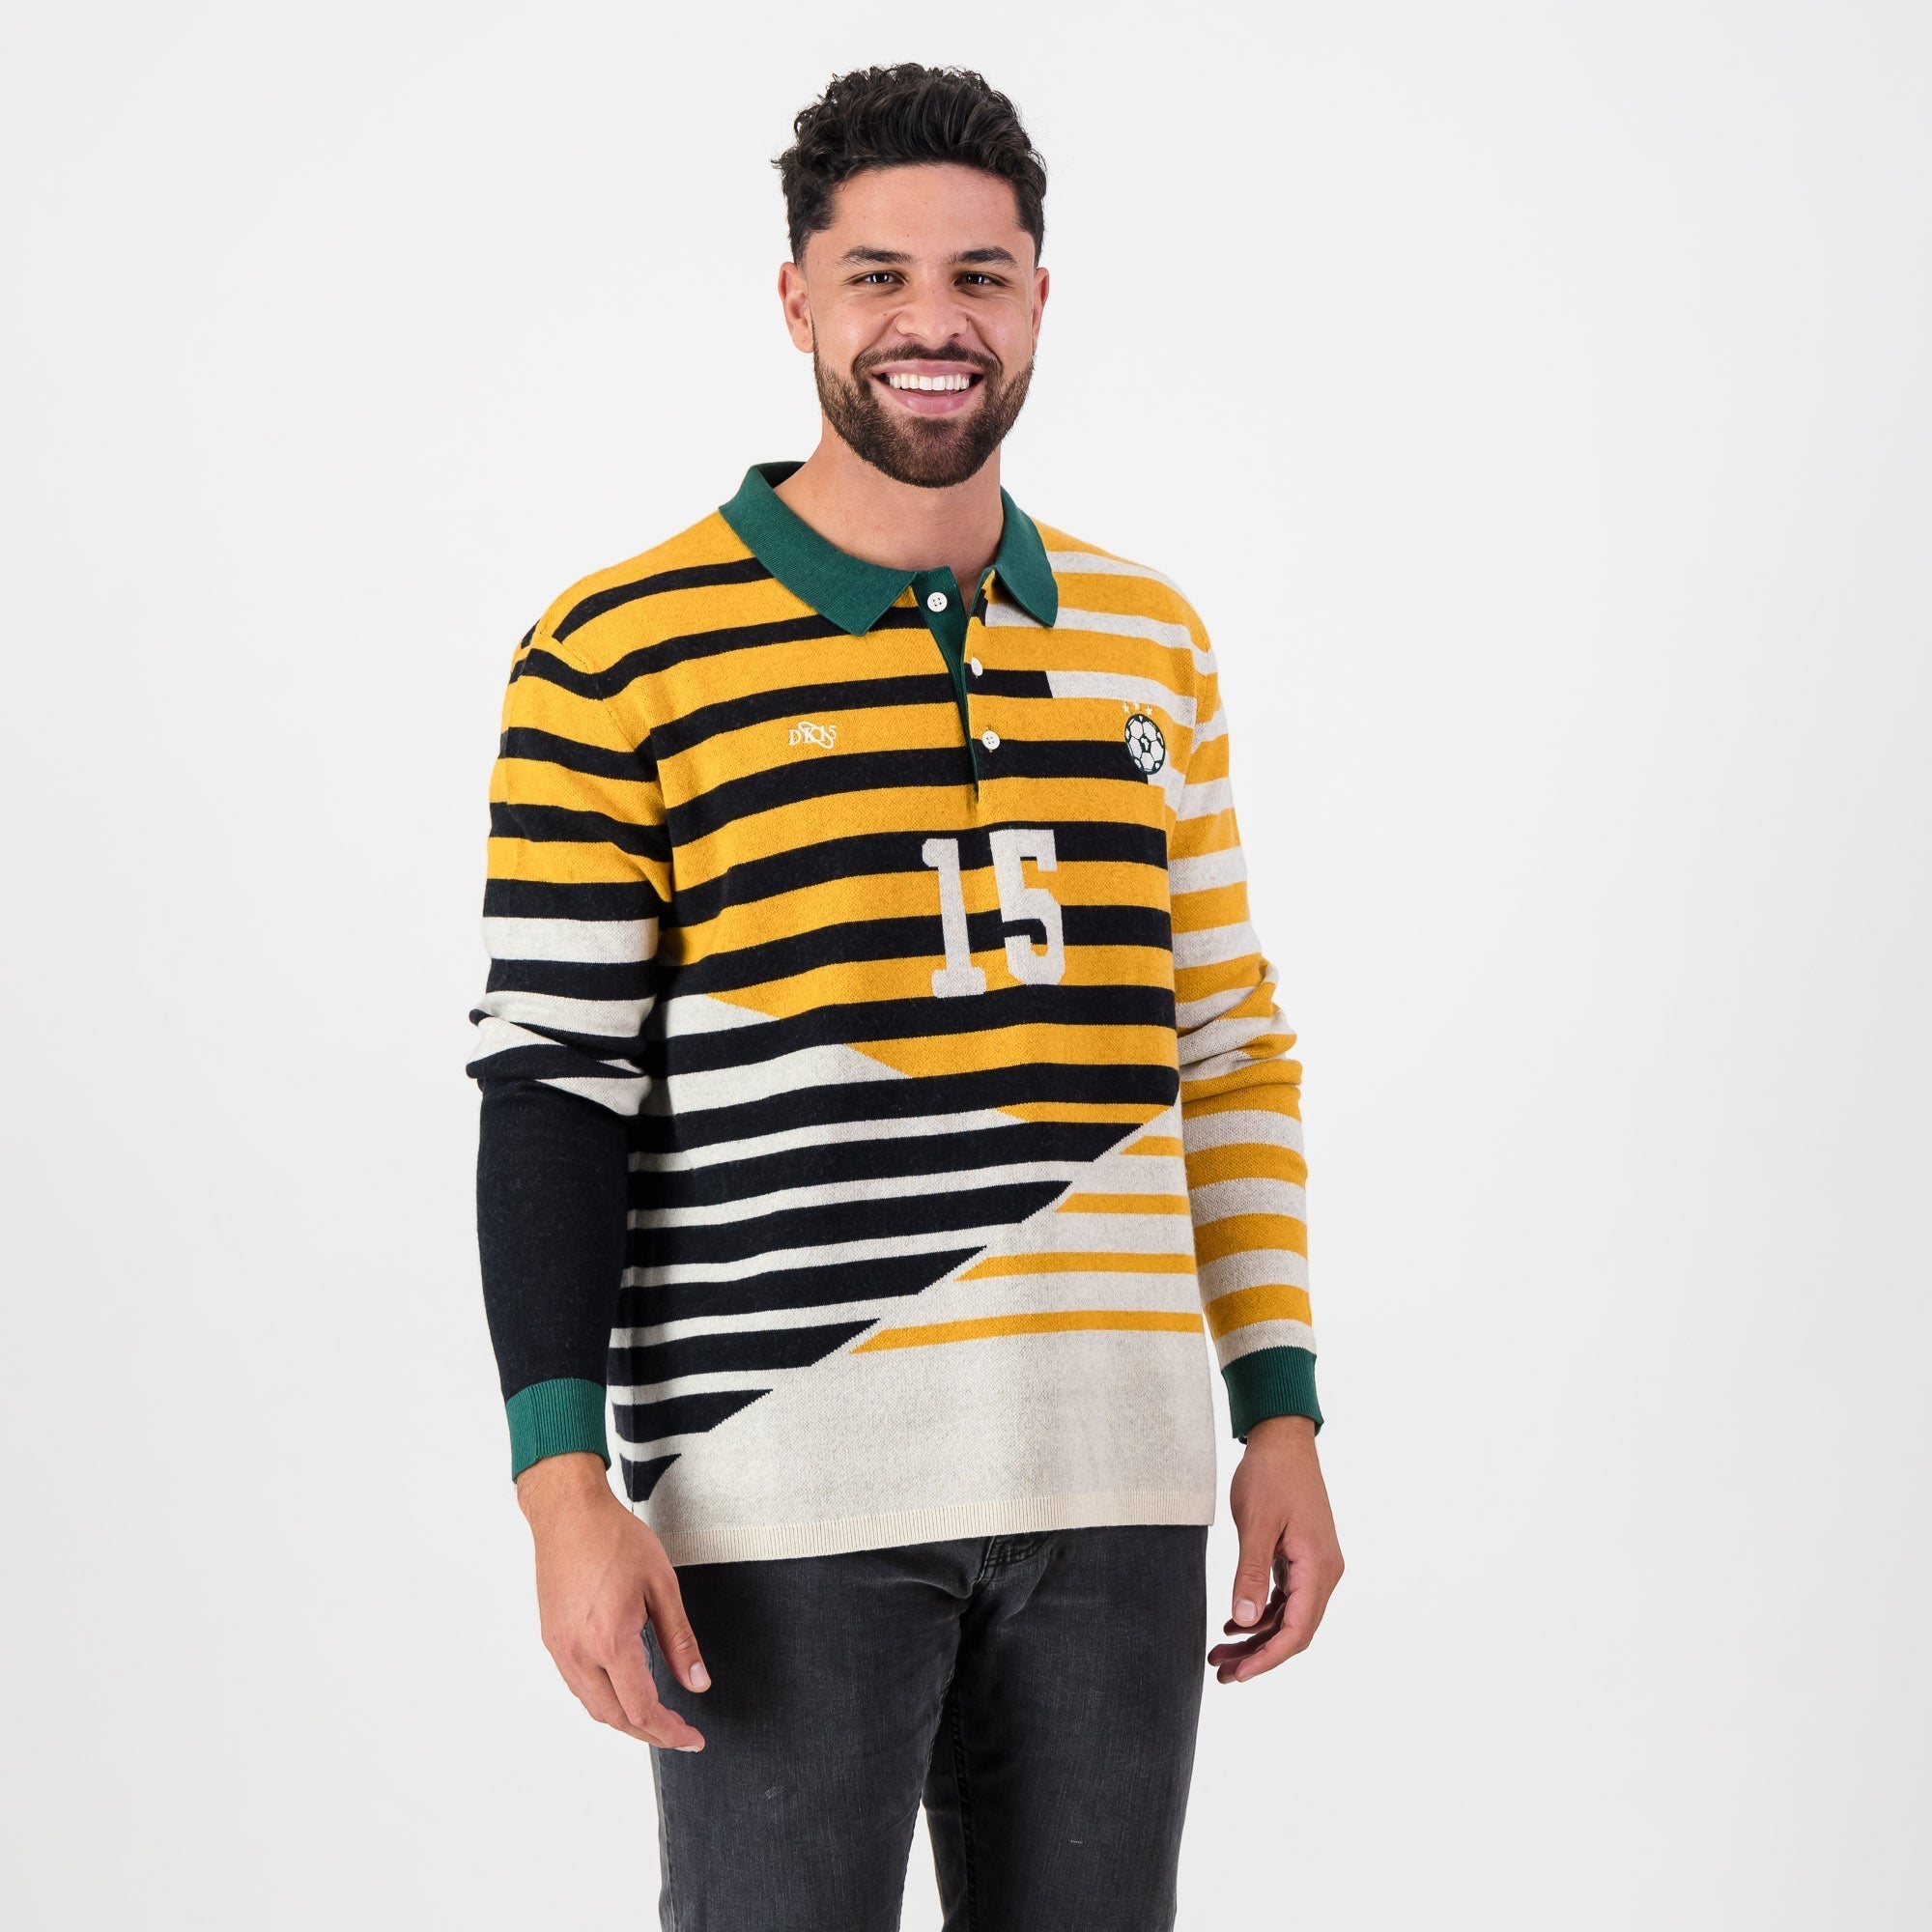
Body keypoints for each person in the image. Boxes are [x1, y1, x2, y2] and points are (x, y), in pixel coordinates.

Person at [468, 62, 1343, 1932]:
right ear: (797, 298)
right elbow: (552, 1080)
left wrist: (1277, 1412)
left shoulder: (1149, 640)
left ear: (1038, 298)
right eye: (878, 276)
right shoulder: (617, 651)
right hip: (778, 1494)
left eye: (979, 276)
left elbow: (1225, 1044)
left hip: (1115, 1486)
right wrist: (560, 1487)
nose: (932, 322)